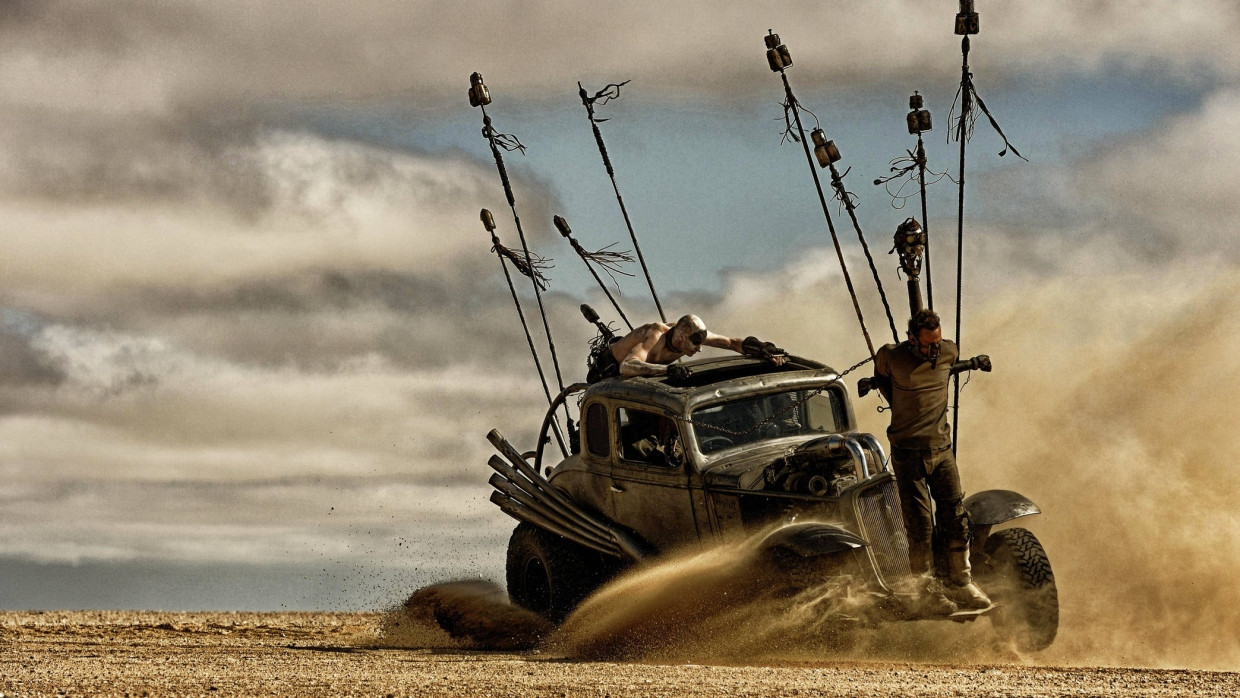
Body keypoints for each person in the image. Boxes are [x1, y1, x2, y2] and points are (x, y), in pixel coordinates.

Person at [860, 308, 993, 614]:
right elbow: (882, 377)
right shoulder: (891, 356)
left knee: (955, 516)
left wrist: (974, 363)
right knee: (920, 527)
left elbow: (947, 367)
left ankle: (962, 583)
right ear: (910, 340)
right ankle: (927, 592)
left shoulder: (948, 350)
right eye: (926, 345)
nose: (933, 350)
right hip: (908, 455)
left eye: (936, 343)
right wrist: (874, 385)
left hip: (941, 451)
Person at [586, 314, 787, 383]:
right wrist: (668, 370)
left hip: (647, 376)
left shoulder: (693, 336)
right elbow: (627, 366)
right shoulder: (655, 336)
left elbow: (732, 343)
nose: (699, 349)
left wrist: (763, 348)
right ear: (681, 336)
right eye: (695, 345)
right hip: (609, 372)